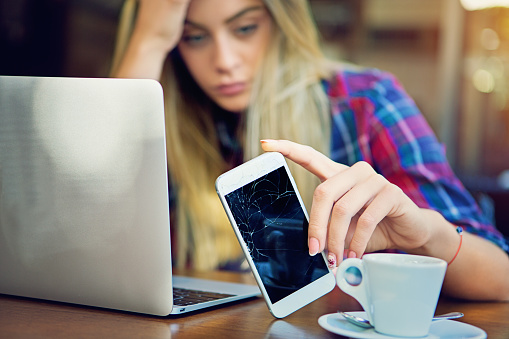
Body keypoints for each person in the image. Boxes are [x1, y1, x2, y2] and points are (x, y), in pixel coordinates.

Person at [111, 0, 509, 301]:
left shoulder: (366, 102)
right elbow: (93, 218)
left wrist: (424, 236)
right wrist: (148, 41)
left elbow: (500, 276)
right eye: (193, 37)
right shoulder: (157, 117)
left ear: (283, 22)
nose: (224, 61)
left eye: (246, 28)